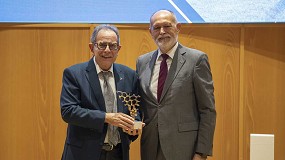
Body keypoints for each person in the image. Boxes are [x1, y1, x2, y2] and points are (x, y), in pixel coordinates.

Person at [136, 10, 216, 160]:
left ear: (178, 27)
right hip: (151, 147)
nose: (162, 32)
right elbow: (140, 104)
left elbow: (208, 110)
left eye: (167, 26)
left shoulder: (196, 60)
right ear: (150, 31)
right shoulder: (142, 62)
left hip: (185, 148)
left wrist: (201, 152)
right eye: (157, 27)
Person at [60, 24, 141, 160]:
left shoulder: (129, 75)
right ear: (92, 47)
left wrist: (134, 125)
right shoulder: (74, 74)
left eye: (113, 46)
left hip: (118, 153)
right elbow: (68, 111)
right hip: (83, 154)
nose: (107, 50)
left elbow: (135, 109)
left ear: (118, 49)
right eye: (102, 45)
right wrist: (106, 117)